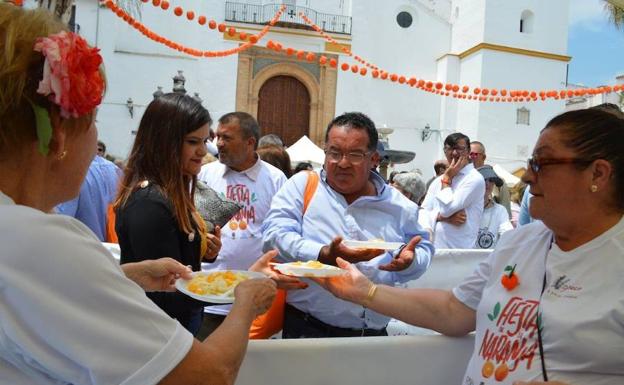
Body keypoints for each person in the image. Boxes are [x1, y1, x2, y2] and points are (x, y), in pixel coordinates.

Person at [0, 5, 278, 384]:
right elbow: (209, 375)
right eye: (94, 121)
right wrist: (244, 302)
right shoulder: (39, 240)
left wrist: (120, 275)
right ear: (60, 136)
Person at [317, 108, 624, 385]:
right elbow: (454, 311)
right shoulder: (520, 242)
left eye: (542, 163)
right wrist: (363, 291)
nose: (528, 176)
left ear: (597, 174)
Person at [262, 112, 434, 338]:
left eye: (355, 155)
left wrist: (410, 263)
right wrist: (321, 254)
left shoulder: (399, 205)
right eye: (334, 153)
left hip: (371, 337)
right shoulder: (303, 186)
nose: (342, 163)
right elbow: (274, 236)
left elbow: (422, 249)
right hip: (307, 330)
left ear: (374, 159)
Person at [114, 93, 223, 335]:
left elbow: (176, 256)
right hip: (161, 331)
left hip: (178, 324)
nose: (202, 151)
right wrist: (226, 291)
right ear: (164, 142)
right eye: (193, 142)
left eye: (205, 141)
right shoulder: (149, 202)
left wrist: (204, 250)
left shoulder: (170, 191)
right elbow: (165, 295)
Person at [197, 112, 287, 339]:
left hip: (254, 300)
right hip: (208, 297)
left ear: (250, 143)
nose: (218, 143)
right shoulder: (205, 175)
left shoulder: (276, 180)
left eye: (227, 138)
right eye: (217, 137)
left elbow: (283, 233)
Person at [422, 133, 485, 249]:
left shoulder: (474, 179)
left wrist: (446, 180)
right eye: (450, 148)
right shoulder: (437, 181)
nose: (454, 153)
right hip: (434, 249)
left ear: (468, 152)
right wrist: (442, 218)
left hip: (459, 253)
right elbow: (422, 211)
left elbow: (447, 210)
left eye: (459, 149)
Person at [56, 148, 122, 241]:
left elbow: (58, 227)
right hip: (110, 252)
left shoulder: (68, 171)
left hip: (75, 251)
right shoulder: (114, 170)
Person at [474, 165, 513, 249]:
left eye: (491, 180)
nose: (487, 183)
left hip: (489, 260)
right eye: (484, 179)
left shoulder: (500, 210)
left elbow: (507, 233)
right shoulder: (466, 208)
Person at [471, 140, 512, 217]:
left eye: (474, 154)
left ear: (484, 157)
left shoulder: (497, 181)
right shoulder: (461, 180)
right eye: (469, 154)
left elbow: (506, 213)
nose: (470, 157)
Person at [391, 171, 434, 238]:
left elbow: (427, 238)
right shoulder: (394, 210)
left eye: (394, 188)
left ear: (407, 194)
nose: (389, 189)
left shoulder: (420, 214)